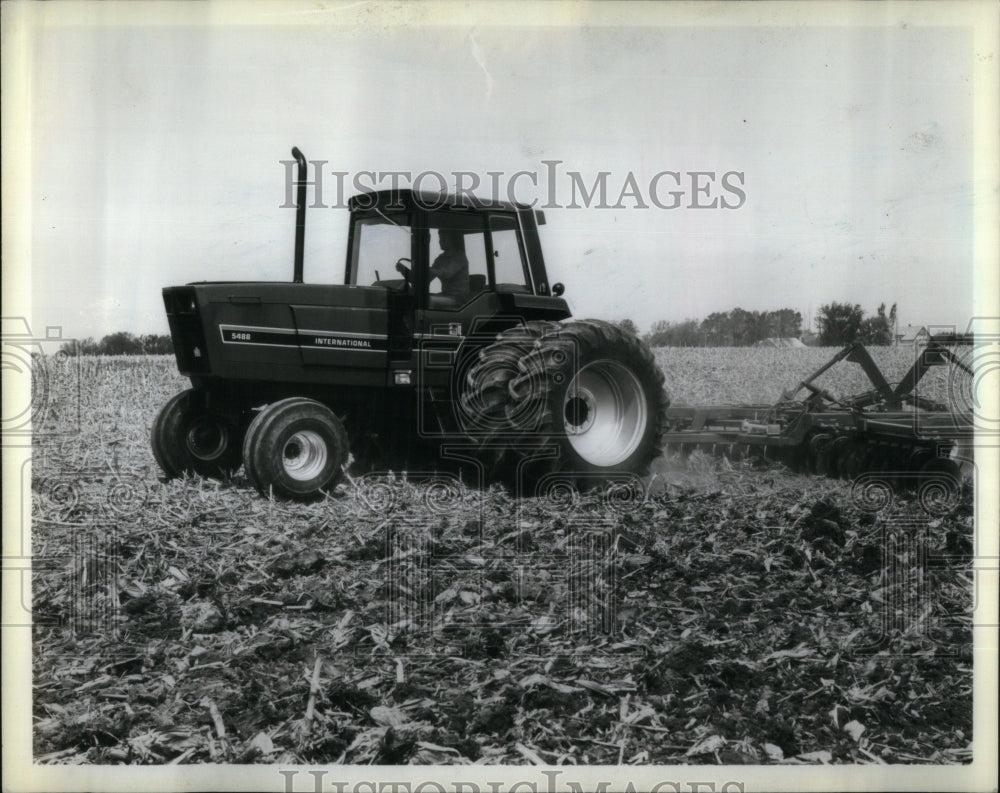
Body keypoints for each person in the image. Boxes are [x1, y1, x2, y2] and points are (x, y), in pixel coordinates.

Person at [429, 229, 469, 298]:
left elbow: (447, 273)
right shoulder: (440, 258)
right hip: (446, 295)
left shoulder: (459, 257)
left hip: (459, 297)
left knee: (428, 302)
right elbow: (429, 275)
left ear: (452, 240)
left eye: (443, 238)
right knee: (421, 298)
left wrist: (427, 269)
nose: (440, 241)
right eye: (440, 238)